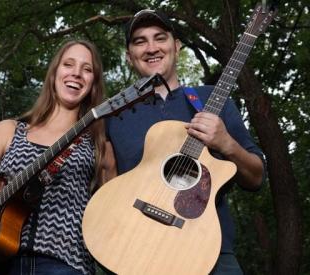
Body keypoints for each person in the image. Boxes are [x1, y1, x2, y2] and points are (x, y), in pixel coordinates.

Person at [105, 10, 265, 275]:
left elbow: (256, 178)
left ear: (176, 46)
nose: (152, 47)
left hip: (210, 252)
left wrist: (227, 143)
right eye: (140, 41)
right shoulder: (113, 116)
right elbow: (106, 186)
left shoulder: (213, 99)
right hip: (136, 251)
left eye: (160, 38)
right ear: (128, 55)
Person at [0, 39, 110, 275]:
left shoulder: (100, 145)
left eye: (87, 69)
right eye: (68, 64)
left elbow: (116, 217)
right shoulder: (10, 130)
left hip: (65, 264)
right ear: (54, 74)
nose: (77, 73)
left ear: (93, 84)